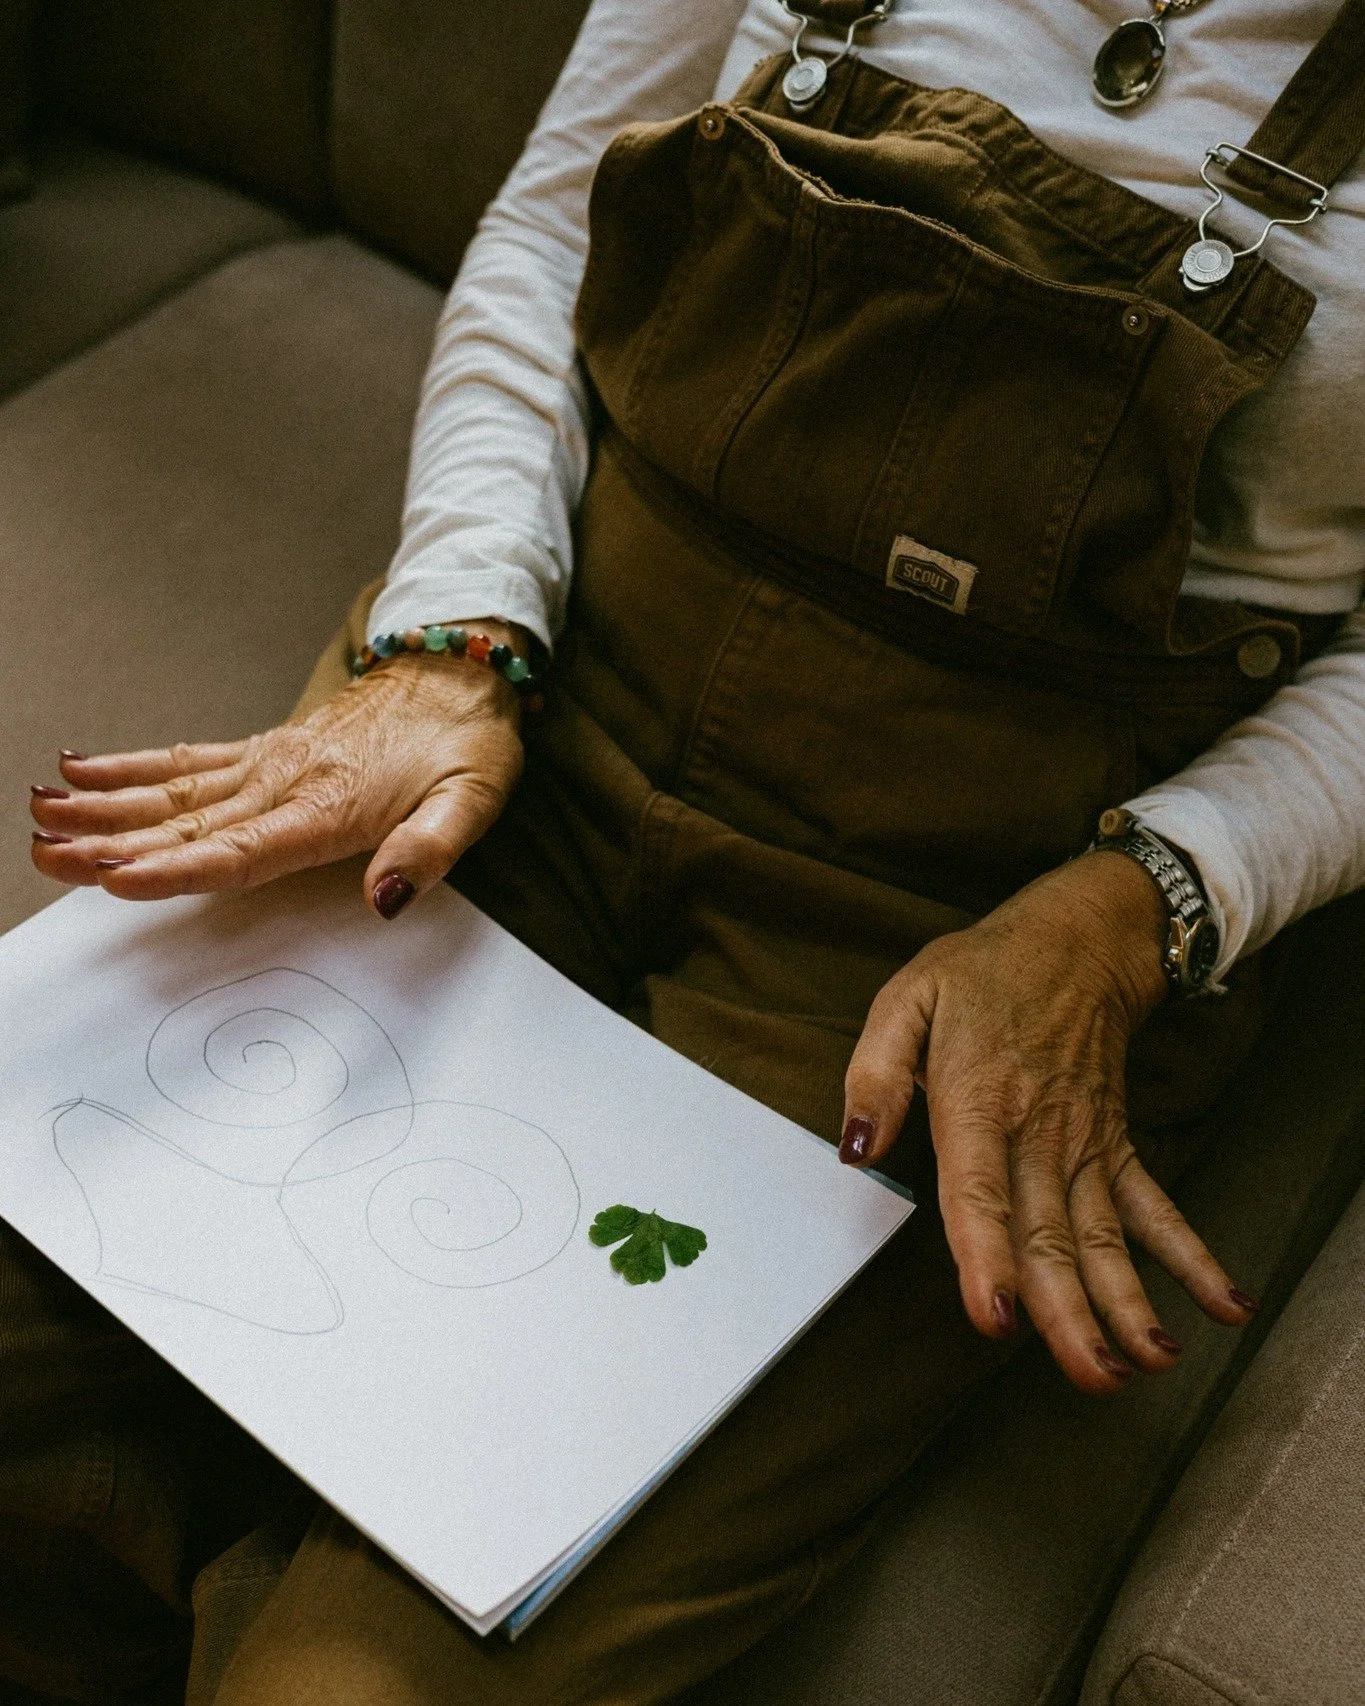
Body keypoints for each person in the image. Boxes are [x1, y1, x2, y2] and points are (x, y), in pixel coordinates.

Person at [17, 0, 1365, 1701]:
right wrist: (455, 631)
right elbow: (556, 210)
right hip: (538, 704)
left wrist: (1150, 901)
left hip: (955, 935)